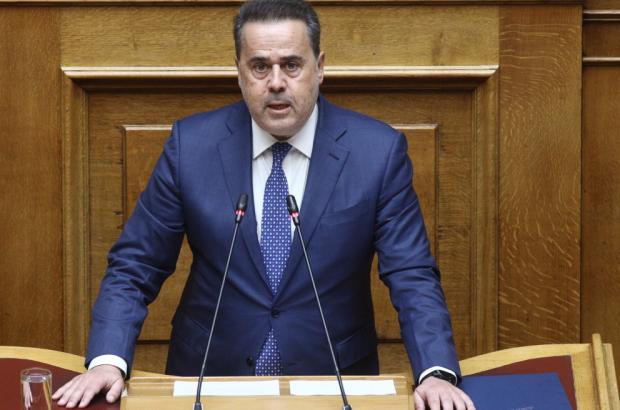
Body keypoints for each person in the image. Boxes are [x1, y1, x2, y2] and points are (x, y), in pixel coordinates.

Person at [53, 0, 475, 409]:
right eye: (260, 67)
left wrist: (435, 371)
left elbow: (411, 274)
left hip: (332, 384)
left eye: (291, 65)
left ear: (320, 67)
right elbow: (136, 265)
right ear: (239, 72)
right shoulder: (191, 147)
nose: (276, 82)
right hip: (208, 381)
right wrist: (108, 360)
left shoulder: (377, 152)